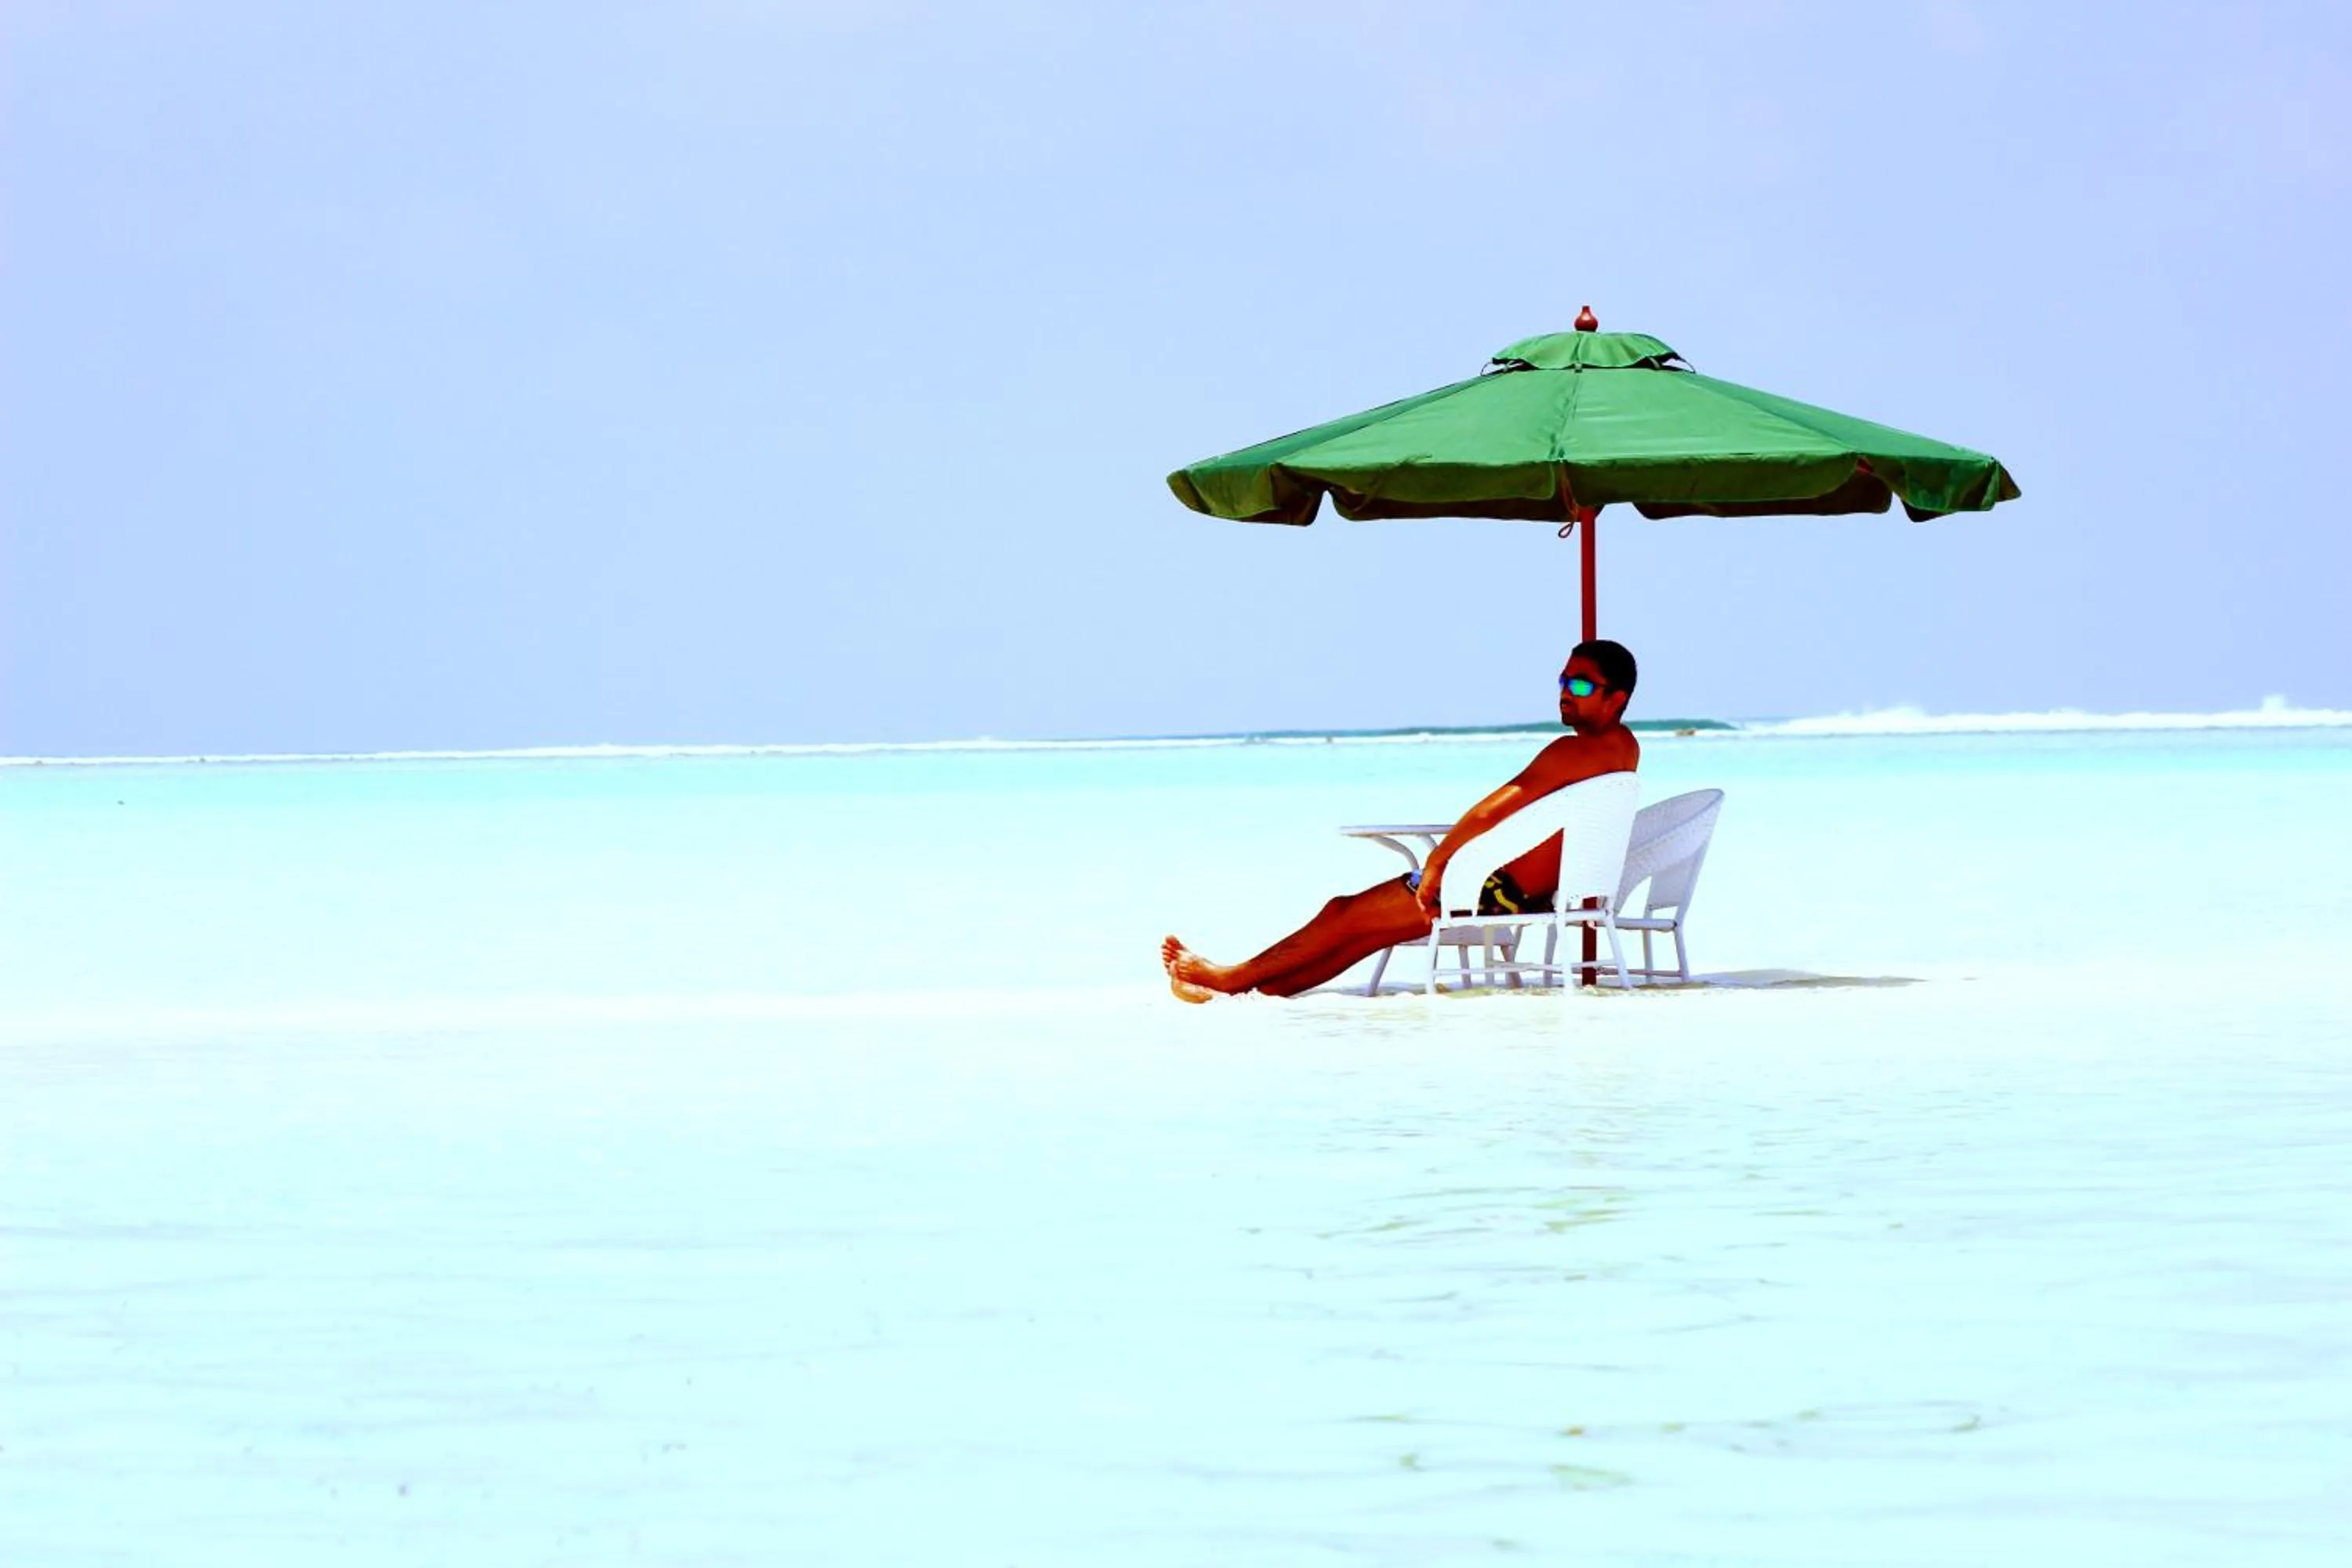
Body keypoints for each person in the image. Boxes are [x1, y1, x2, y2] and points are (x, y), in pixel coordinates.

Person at [1162, 640, 1642, 1002]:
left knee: (1341, 913)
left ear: (1617, 698)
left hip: (1485, 891)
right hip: (1518, 897)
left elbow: (1488, 812)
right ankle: (1249, 995)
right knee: (1359, 937)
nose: (1565, 694)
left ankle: (1226, 977)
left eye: (1580, 686)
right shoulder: (1625, 750)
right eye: (1562, 682)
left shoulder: (1574, 751)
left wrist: (1436, 867)